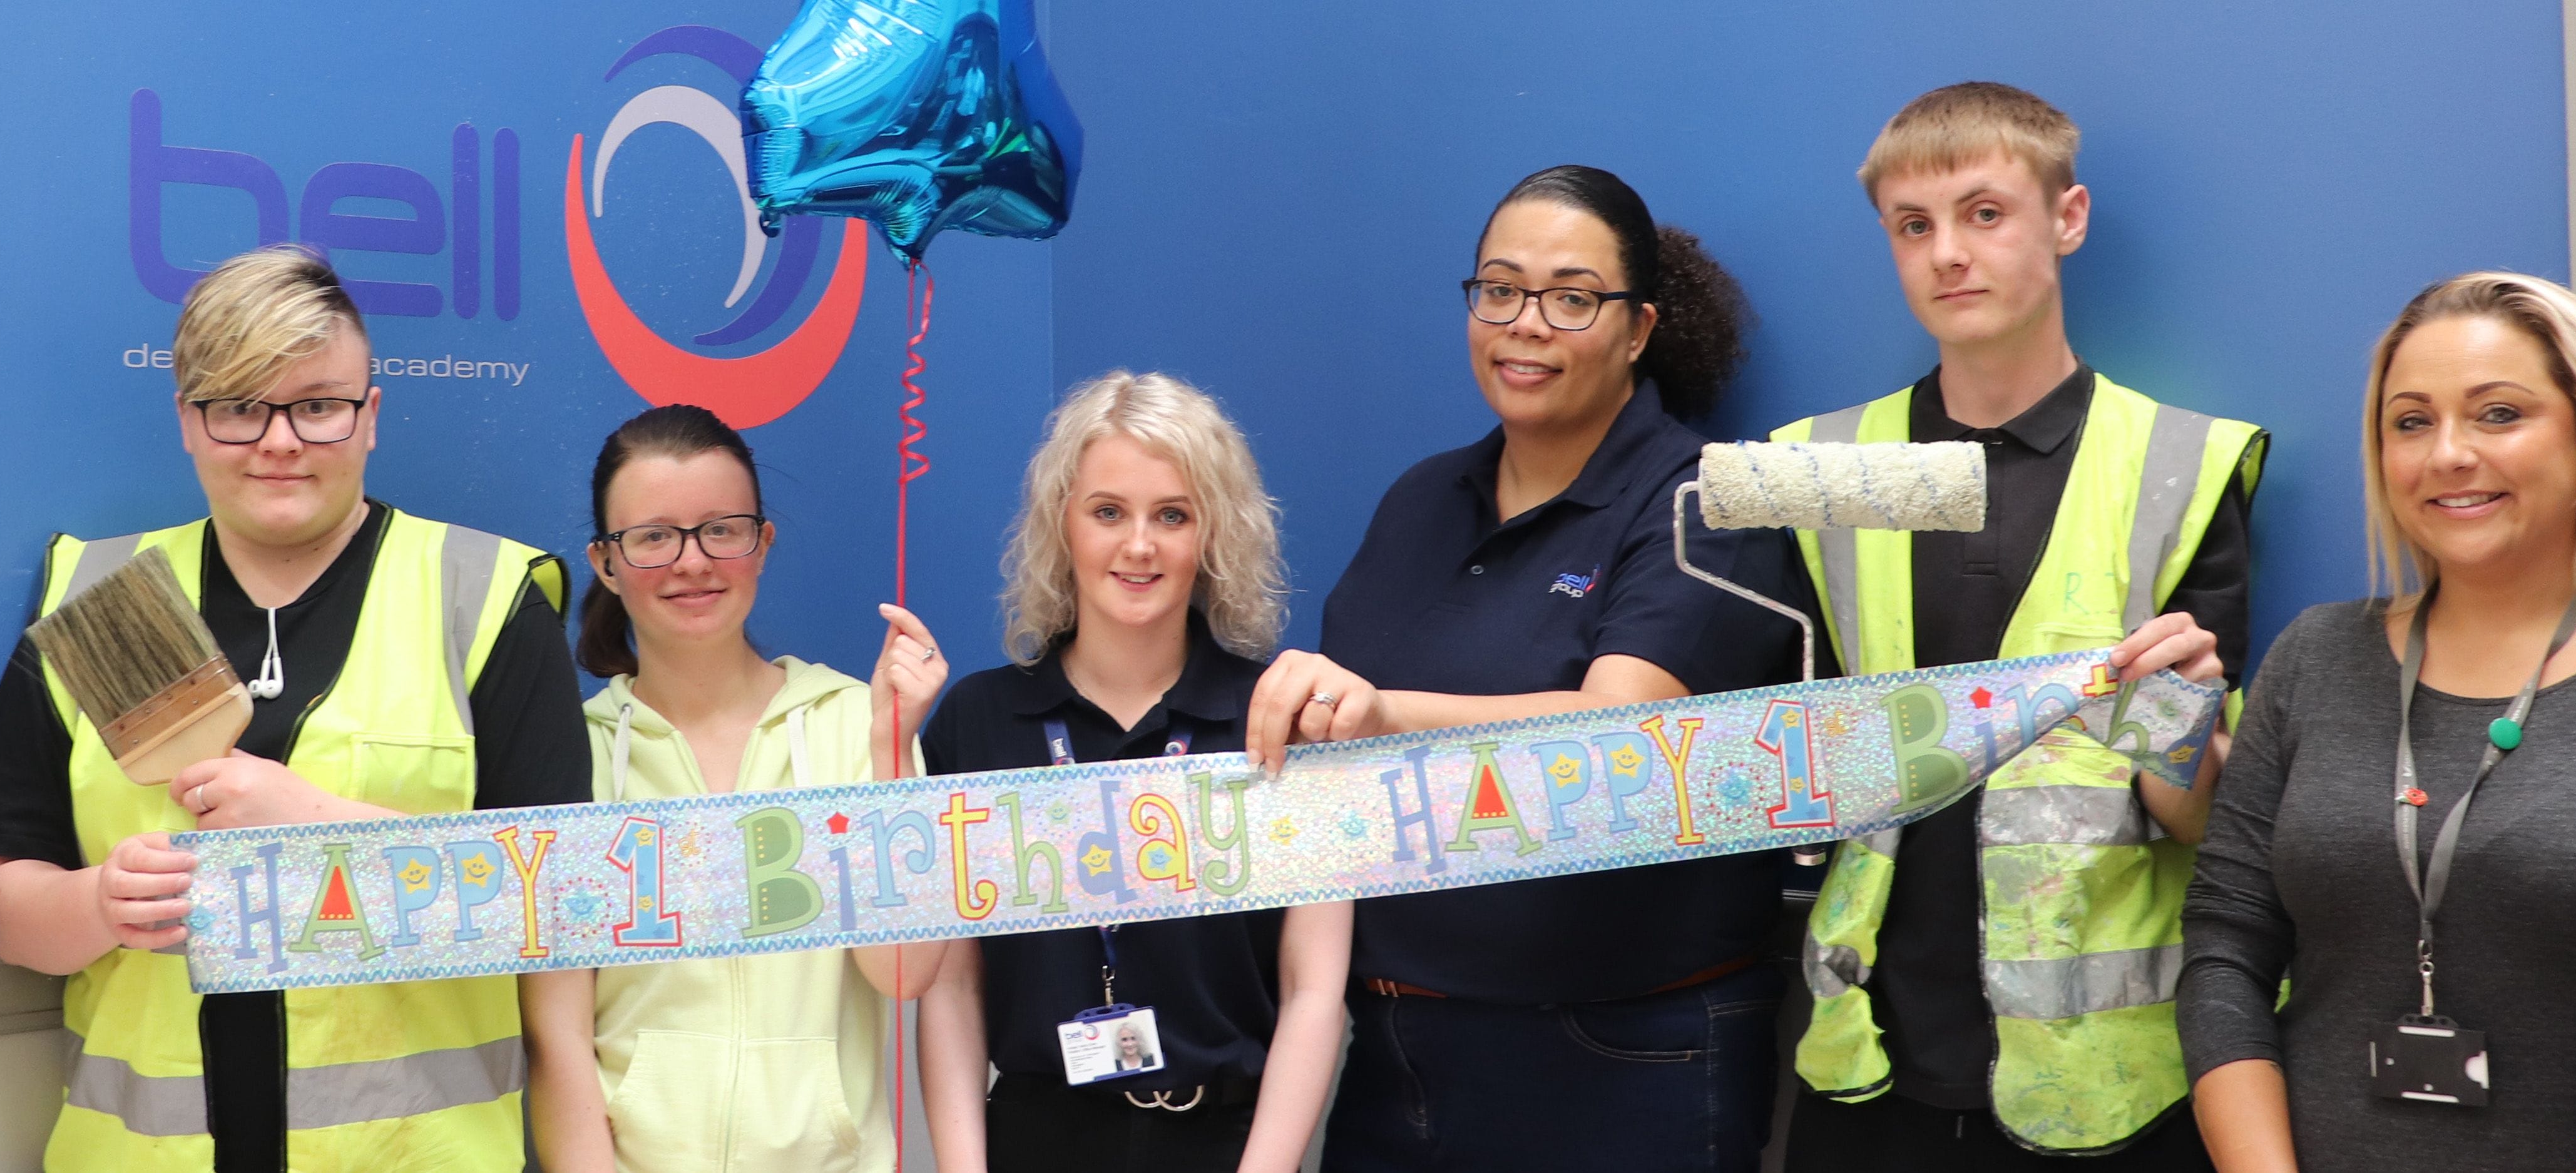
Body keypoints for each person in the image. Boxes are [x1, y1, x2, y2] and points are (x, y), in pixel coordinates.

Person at [0, 245, 586, 1172]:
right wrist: (100, 902)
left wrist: (317, 825)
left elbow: (555, 909)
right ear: (188, 424)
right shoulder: (102, 592)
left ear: (370, 418)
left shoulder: (482, 598)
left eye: (317, 405)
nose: (279, 440)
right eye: (240, 406)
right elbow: (14, 911)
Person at [1243, 166, 1810, 1173]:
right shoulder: (1420, 499)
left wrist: (1379, 713)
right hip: (1398, 1055)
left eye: (1571, 296)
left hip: (1625, 1054)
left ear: (1638, 327)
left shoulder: (1708, 502)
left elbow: (1617, 743)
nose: (1526, 322)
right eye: (1499, 289)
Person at [2180, 272, 2576, 1173]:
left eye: (2499, 414)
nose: (2448, 454)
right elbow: (2225, 943)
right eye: (2411, 421)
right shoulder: (2316, 658)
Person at [1775, 82, 2262, 1169]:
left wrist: (2175, 714)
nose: (1948, 253)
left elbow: (2196, 817)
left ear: (2068, 218)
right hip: (1871, 1067)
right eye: (1914, 226)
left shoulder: (2177, 466)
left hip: (2106, 1091)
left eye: (1984, 213)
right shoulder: (1826, 468)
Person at [915, 372, 1351, 1173]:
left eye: (1173, 516)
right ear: (1062, 526)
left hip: (1229, 1143)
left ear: (1213, 535)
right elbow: (952, 986)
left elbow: (1314, 990)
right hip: (1033, 1136)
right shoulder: (976, 724)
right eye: (1108, 512)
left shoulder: (1282, 720)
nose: (1139, 545)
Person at [517, 404, 948, 1173]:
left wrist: (889, 754)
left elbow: (906, 974)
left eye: (723, 529)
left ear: (762, 543)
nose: (692, 562)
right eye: (653, 537)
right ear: (607, 563)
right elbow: (558, 1039)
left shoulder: (857, 721)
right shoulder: (569, 755)